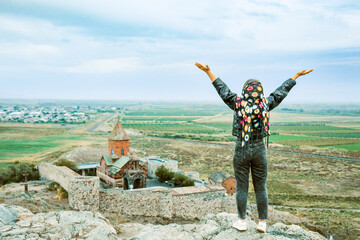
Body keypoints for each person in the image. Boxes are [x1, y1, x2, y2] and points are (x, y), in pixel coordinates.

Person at [195, 62, 313, 233]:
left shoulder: (238, 103)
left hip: (241, 148)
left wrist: (209, 73)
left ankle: (242, 221)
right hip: (259, 149)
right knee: (261, 187)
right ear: (261, 91)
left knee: (242, 187)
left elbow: (223, 90)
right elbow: (280, 93)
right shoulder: (265, 104)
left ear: (245, 91)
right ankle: (262, 223)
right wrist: (295, 76)